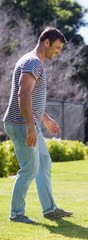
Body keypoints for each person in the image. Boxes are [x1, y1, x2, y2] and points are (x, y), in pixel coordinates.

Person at [3, 26, 73, 224]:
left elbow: (30, 97)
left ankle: (50, 209)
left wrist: (44, 119)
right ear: (47, 42)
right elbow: (23, 94)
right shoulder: (33, 62)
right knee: (29, 169)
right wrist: (30, 126)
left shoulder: (33, 61)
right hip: (21, 124)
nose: (58, 52)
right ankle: (17, 213)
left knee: (44, 164)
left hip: (29, 122)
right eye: (57, 48)